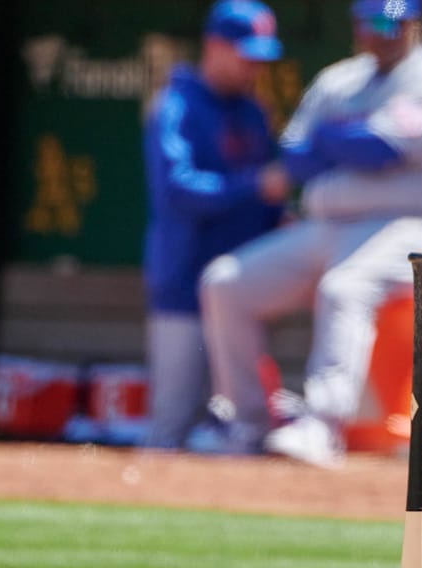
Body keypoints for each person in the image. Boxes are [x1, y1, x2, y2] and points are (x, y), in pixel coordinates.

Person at [198, 0, 422, 467]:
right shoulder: (338, 79)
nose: (382, 31)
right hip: (326, 225)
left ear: (414, 25)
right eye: (372, 21)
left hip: (405, 225)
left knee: (344, 288)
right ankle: (250, 422)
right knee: (225, 283)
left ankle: (323, 425)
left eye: (393, 21)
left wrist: (332, 138)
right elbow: (295, 155)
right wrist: (340, 140)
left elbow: (377, 149)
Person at [140, 0, 290, 450]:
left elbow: (268, 191)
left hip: (239, 291)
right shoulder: (175, 105)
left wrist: (277, 216)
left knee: (242, 430)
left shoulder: (253, 112)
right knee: (174, 424)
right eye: (246, 55)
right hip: (184, 286)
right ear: (214, 46)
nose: (254, 67)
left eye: (260, 58)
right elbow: (177, 191)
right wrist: (254, 187)